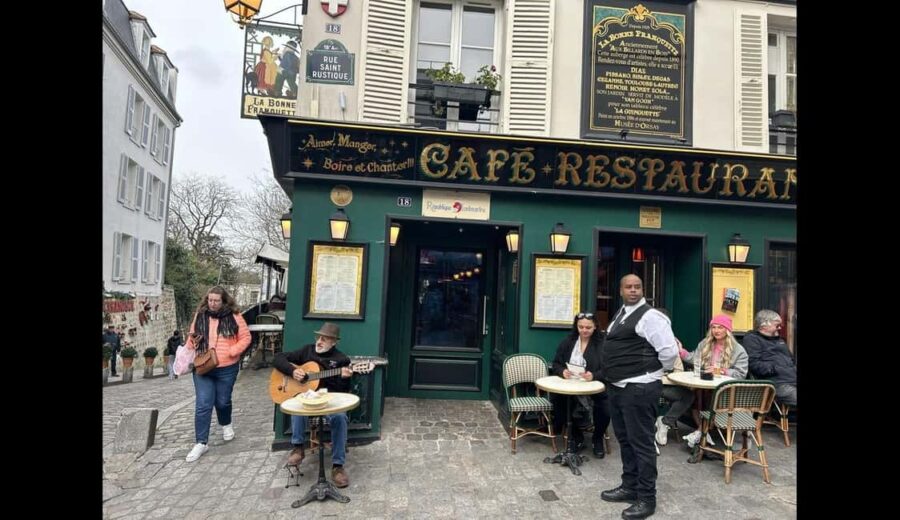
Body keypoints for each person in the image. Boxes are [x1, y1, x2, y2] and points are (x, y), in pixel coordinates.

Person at [598, 274, 678, 520]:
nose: (633, 290)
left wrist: (653, 370)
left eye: (637, 287)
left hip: (639, 388)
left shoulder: (651, 316)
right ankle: (629, 486)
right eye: (628, 287)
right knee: (625, 439)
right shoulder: (621, 313)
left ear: (643, 290)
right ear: (620, 290)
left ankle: (646, 498)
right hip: (618, 387)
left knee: (642, 444)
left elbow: (669, 352)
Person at [273, 322, 353, 488]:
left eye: (325, 338)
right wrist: (292, 371)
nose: (320, 341)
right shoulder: (306, 351)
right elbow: (278, 358)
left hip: (328, 401)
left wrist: (344, 378)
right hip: (307, 400)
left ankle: (338, 466)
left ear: (334, 342)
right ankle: (298, 448)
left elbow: (342, 392)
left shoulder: (341, 359)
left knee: (340, 417)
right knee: (298, 407)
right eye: (319, 337)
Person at [183, 286, 252, 463]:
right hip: (203, 366)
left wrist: (233, 351)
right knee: (203, 404)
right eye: (210, 300)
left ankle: (226, 423)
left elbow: (246, 337)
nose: (212, 303)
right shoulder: (201, 315)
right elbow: (192, 336)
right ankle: (201, 442)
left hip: (226, 367)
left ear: (224, 301)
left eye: (216, 301)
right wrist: (191, 344)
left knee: (222, 401)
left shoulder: (234, 316)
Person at [678, 314, 748, 448]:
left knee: (709, 397)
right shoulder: (705, 343)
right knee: (695, 395)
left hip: (725, 389)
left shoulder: (738, 350)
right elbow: (695, 359)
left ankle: (702, 432)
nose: (716, 330)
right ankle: (702, 431)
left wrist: (721, 370)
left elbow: (741, 374)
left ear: (727, 330)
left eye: (720, 327)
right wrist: (682, 352)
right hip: (705, 384)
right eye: (714, 327)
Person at [550, 312, 610, 458]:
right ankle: (577, 436)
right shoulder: (568, 341)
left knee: (605, 407)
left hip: (595, 385)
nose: (584, 330)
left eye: (588, 327)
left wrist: (594, 375)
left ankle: (597, 438)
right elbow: (556, 363)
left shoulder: (603, 343)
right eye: (581, 327)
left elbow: (610, 368)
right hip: (572, 384)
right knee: (558, 400)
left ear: (595, 327)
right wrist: (563, 371)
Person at [652, 308, 693, 447]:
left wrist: (665, 377)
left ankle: (665, 422)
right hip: (645, 384)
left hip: (664, 385)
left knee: (688, 395)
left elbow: (679, 370)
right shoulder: (641, 342)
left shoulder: (671, 344)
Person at [743, 309, 797, 406]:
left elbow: (791, 360)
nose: (779, 328)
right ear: (764, 326)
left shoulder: (779, 340)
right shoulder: (752, 339)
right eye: (777, 325)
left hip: (792, 379)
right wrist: (776, 368)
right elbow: (754, 364)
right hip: (776, 383)